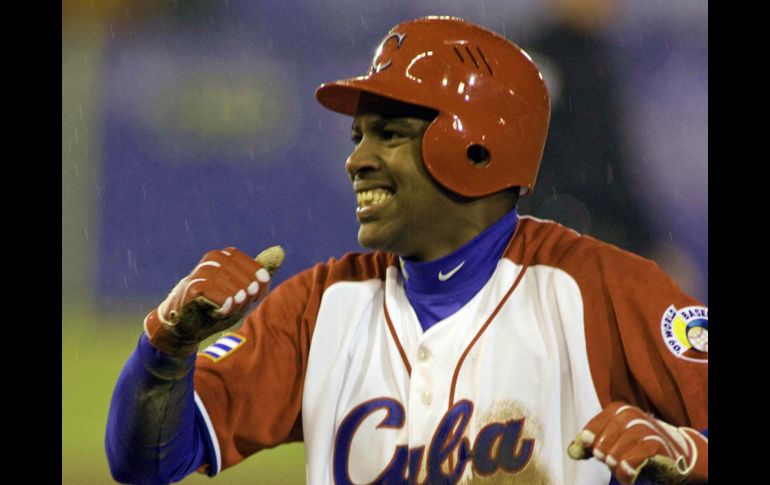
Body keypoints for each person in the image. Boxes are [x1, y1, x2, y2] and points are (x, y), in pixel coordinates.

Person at [105, 16, 708, 485]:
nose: (357, 160)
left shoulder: (597, 290)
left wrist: (689, 453)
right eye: (358, 136)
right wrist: (166, 351)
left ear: (476, 147)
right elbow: (146, 462)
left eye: (388, 134)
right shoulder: (320, 308)